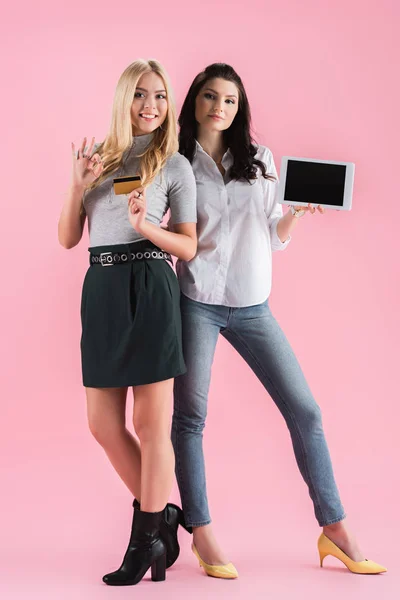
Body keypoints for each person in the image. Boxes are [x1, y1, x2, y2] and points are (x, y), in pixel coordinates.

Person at [171, 62, 387, 578]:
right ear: (194, 102)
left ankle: (333, 527)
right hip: (195, 299)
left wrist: (295, 213)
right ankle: (201, 532)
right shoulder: (177, 162)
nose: (219, 107)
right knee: (191, 419)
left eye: (229, 99)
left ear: (238, 106)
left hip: (252, 303)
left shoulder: (261, 160)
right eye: (209, 97)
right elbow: (166, 222)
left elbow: (272, 232)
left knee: (306, 411)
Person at [58, 59, 196, 586]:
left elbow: (188, 244)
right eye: (140, 95)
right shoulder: (100, 159)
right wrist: (77, 185)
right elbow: (69, 238)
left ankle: (143, 543)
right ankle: (162, 517)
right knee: (102, 424)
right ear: (123, 99)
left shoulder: (174, 164)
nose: (151, 106)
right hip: (103, 289)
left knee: (151, 425)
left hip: (151, 285)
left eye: (160, 96)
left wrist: (147, 227)